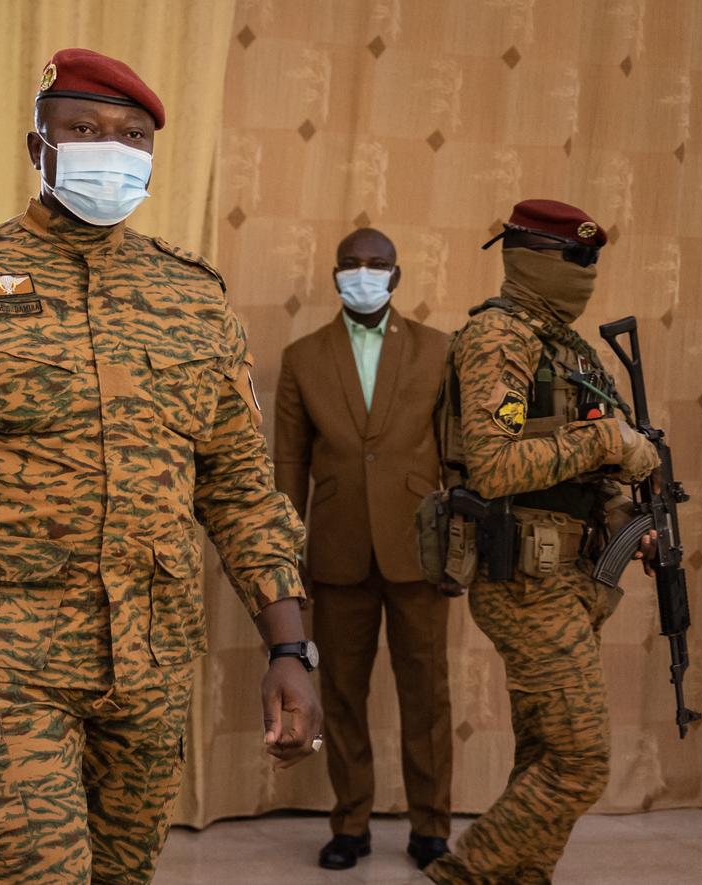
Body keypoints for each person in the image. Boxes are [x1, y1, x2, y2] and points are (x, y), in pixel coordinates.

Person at [0, 47, 323, 885]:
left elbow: (240, 489)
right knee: (39, 872)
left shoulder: (192, 297)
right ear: (38, 148)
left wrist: (290, 648)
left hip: (150, 661)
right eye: (83, 129)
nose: (109, 149)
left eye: (131, 136)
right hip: (0, 657)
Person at [423, 200, 659, 884]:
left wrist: (625, 518)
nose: (589, 276)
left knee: (543, 758)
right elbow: (494, 465)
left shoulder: (567, 346)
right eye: (578, 262)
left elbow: (586, 470)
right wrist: (610, 439)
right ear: (533, 259)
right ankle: (460, 876)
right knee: (580, 763)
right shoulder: (501, 337)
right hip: (525, 577)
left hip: (572, 577)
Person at [275, 227, 453, 871]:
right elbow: (289, 464)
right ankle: (349, 822)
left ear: (396, 277)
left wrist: (461, 547)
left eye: (376, 264)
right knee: (343, 693)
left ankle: (431, 826)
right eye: (350, 263)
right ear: (335, 276)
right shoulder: (303, 358)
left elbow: (458, 456)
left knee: (427, 693)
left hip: (421, 550)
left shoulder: (439, 350)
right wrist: (284, 555)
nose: (363, 273)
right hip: (337, 549)